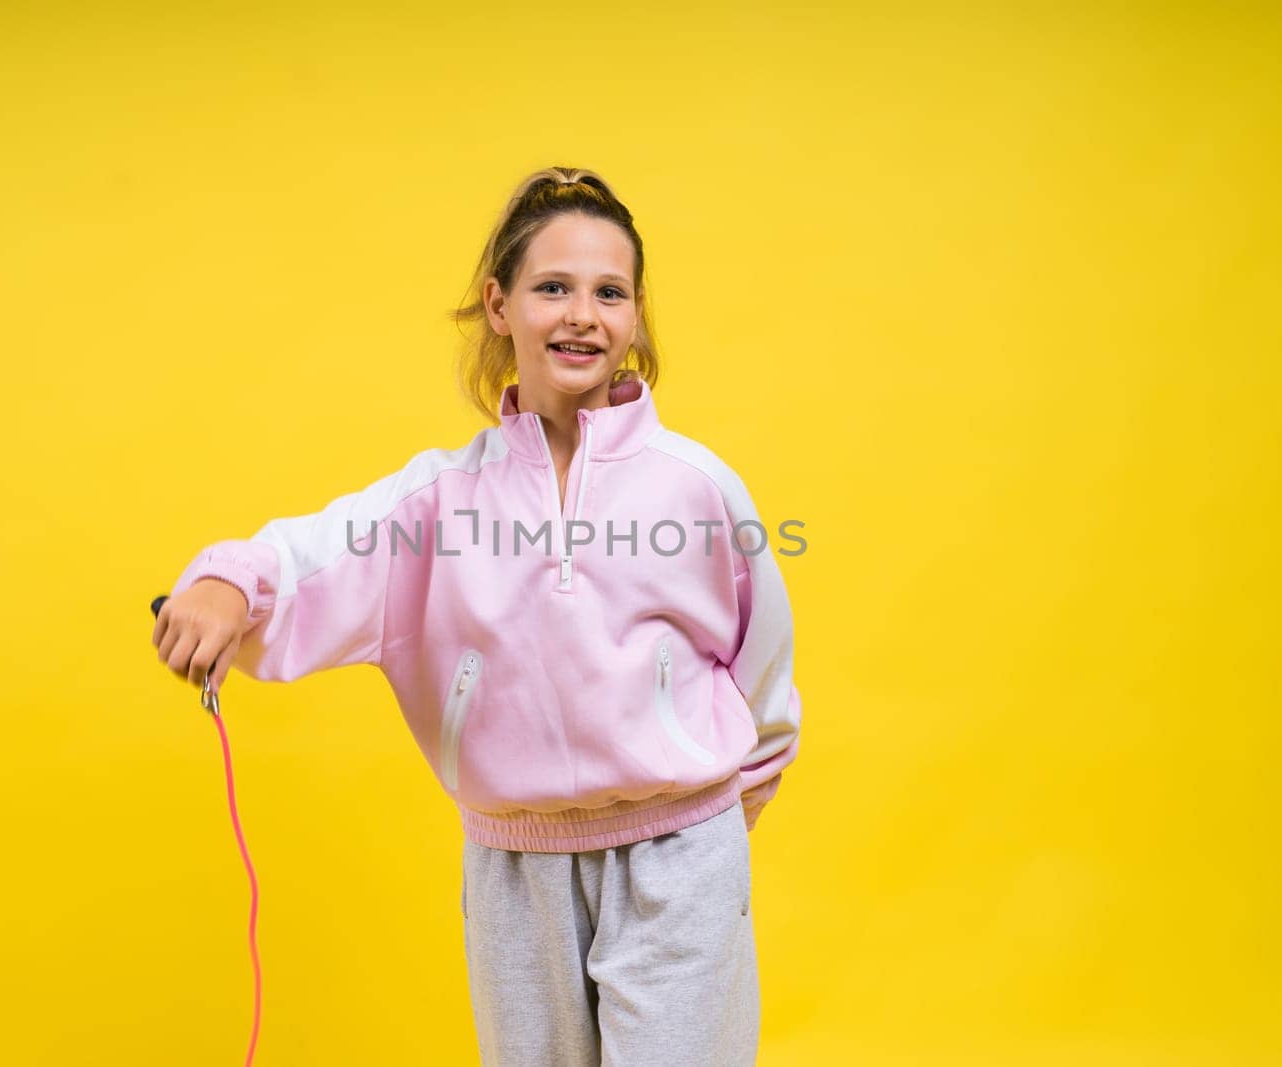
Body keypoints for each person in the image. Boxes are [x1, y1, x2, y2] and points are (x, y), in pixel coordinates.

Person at [151, 165, 803, 1065]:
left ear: (637, 314)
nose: (583, 314)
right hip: (514, 869)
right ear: (499, 305)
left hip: (679, 854)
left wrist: (718, 816)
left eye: (609, 292)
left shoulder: (698, 487)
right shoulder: (439, 500)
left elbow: (764, 664)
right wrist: (225, 581)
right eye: (553, 288)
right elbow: (308, 554)